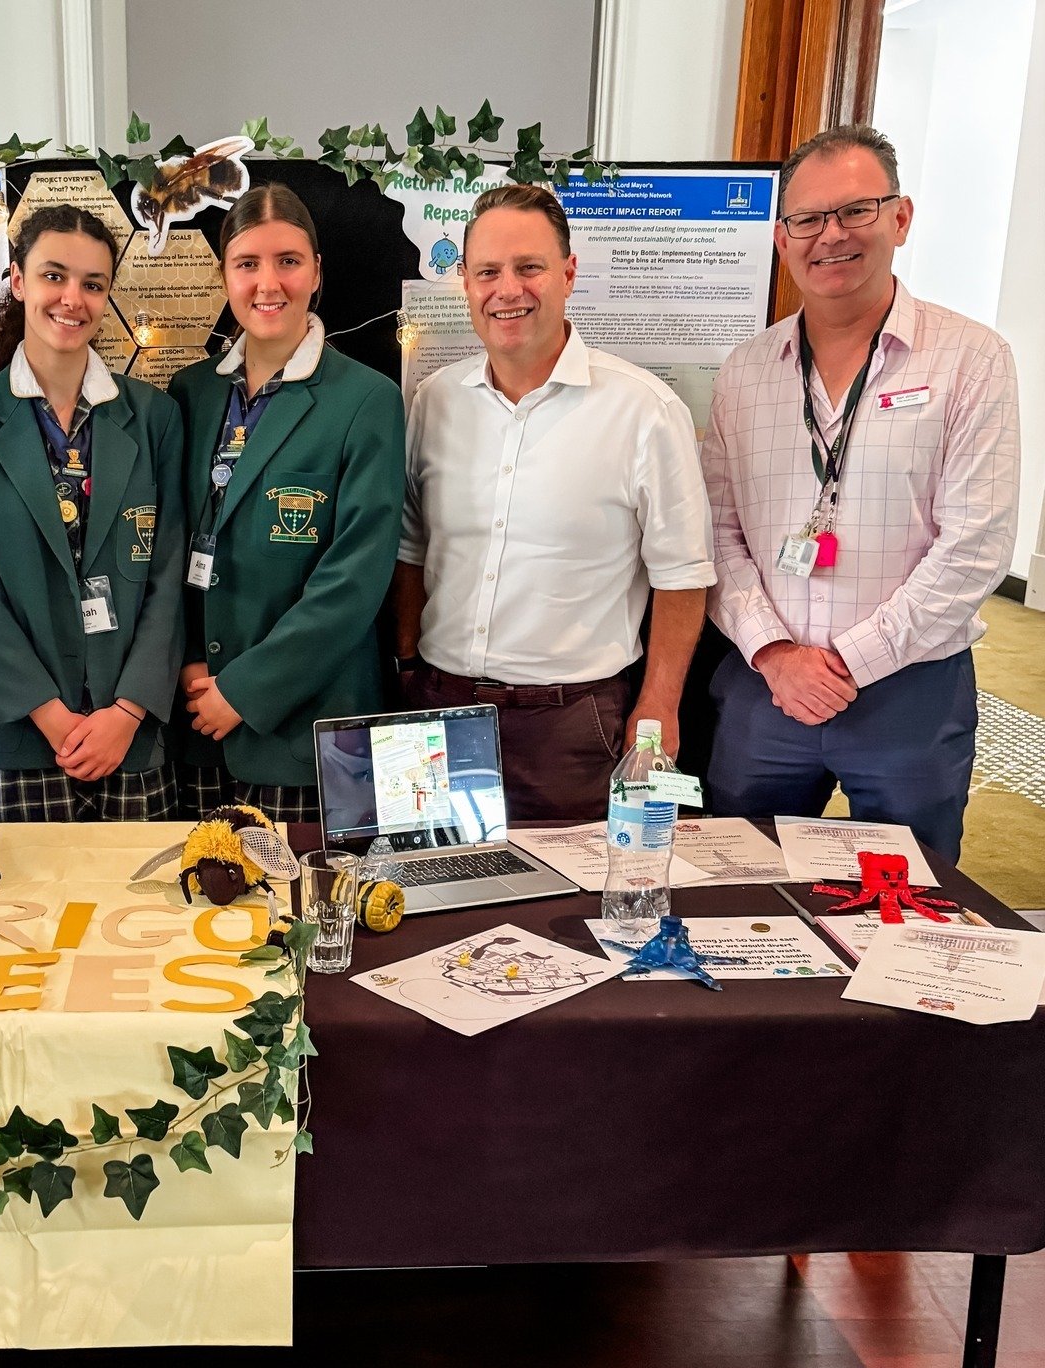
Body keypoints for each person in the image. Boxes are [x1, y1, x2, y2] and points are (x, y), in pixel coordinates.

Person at [704, 124, 1019, 863]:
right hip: (766, 687)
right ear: (782, 238)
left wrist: (848, 663)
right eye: (808, 219)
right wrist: (778, 654)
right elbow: (717, 534)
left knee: (905, 910)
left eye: (856, 211)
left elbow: (976, 546)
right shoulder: (745, 371)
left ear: (900, 217)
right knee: (735, 889)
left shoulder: (971, 359)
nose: (831, 236)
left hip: (910, 688)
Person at [393, 183, 715, 821]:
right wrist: (404, 667)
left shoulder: (644, 412)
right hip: (437, 713)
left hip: (572, 727)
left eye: (529, 268)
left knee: (566, 913)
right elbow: (411, 548)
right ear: (465, 283)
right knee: (429, 904)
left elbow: (682, 577)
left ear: (568, 273)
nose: (507, 290)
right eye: (487, 271)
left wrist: (658, 709)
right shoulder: (433, 401)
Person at [0, 204, 186, 821]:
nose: (72, 298)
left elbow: (170, 575)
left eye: (93, 284)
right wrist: (47, 712)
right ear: (18, 281)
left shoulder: (154, 417)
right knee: (20, 916)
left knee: (140, 914)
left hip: (127, 735)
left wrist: (126, 712)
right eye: (54, 276)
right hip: (18, 731)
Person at [169, 183, 405, 821]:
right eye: (247, 264)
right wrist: (191, 661)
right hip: (195, 723)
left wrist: (243, 691)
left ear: (317, 271)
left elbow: (354, 578)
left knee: (305, 916)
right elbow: (167, 542)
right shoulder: (189, 393)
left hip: (307, 728)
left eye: (288, 261)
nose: (267, 283)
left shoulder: (366, 400)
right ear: (224, 276)